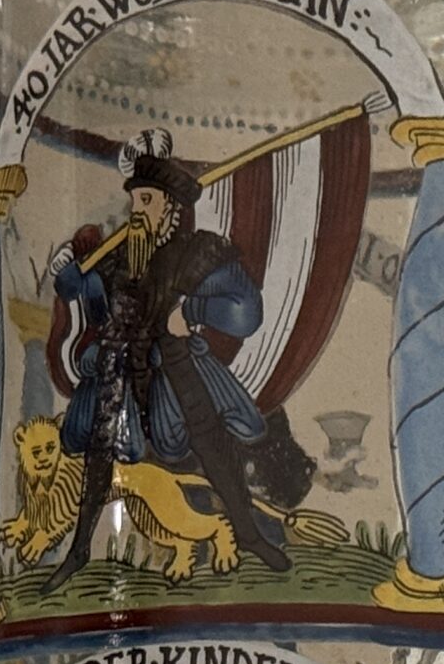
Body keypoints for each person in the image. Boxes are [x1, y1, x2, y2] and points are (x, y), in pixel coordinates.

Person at [43, 128, 287, 588]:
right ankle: (78, 552)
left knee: (211, 440)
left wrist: (191, 313)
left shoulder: (197, 253)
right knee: (100, 450)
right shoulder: (117, 256)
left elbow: (246, 311)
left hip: (174, 362)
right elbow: (81, 291)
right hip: (117, 363)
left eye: (147, 201)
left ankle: (249, 534)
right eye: (134, 201)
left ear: (171, 208)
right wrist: (67, 276)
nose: (137, 211)